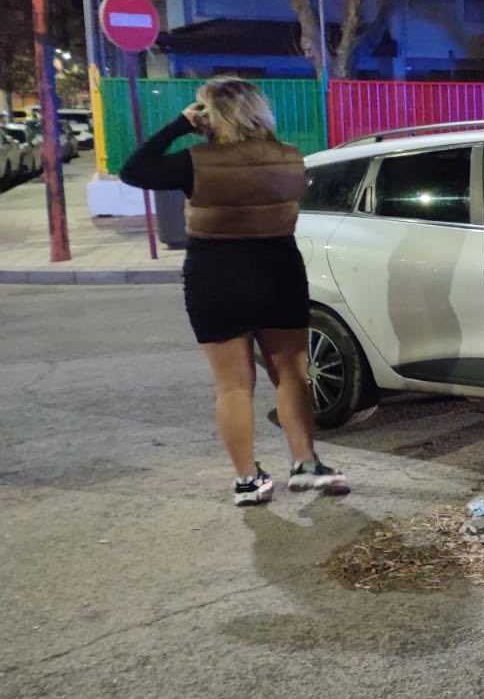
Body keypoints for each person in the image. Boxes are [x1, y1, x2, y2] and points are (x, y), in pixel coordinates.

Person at [121, 77, 348, 506]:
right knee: (291, 372)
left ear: (209, 115)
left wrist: (178, 125)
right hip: (278, 270)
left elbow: (134, 170)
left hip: (215, 274)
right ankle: (306, 464)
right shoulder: (290, 159)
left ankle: (247, 480)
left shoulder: (195, 161)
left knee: (233, 386)